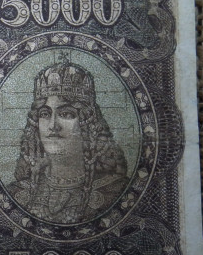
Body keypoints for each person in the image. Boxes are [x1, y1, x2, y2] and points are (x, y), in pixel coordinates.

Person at [7, 55, 128, 224]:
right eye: (45, 114)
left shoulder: (116, 191)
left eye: (66, 114)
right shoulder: (15, 193)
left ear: (88, 124)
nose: (53, 126)